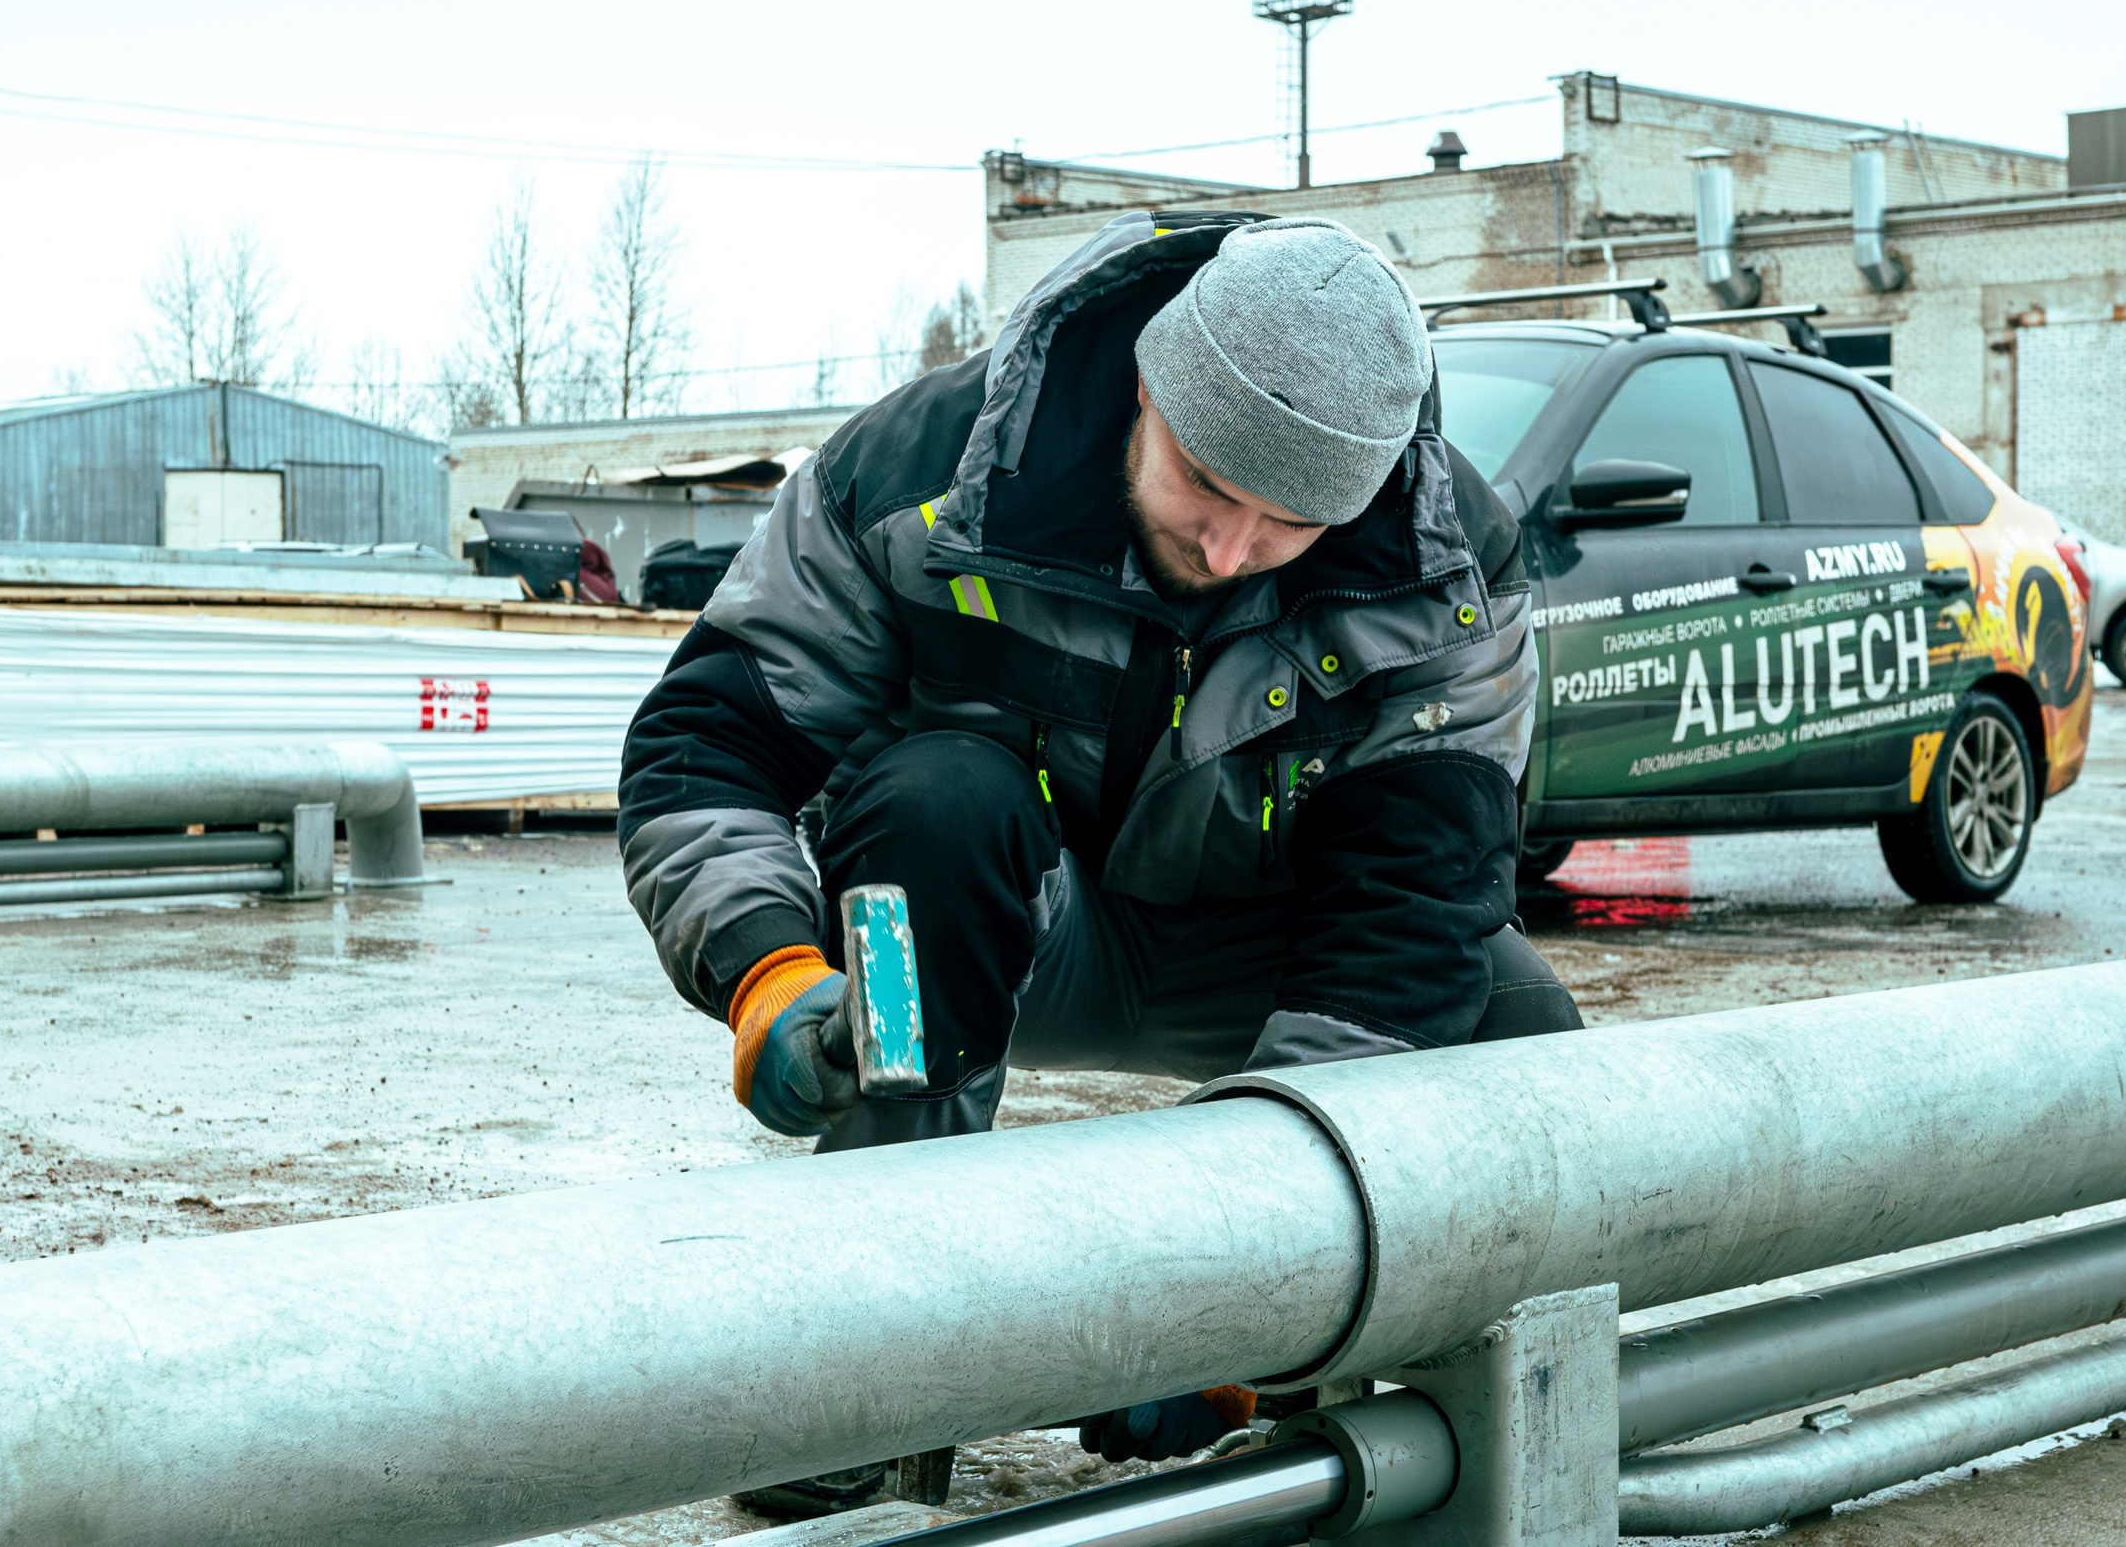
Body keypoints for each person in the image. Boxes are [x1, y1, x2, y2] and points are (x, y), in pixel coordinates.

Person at [616, 213, 1579, 1502]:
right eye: (1208, 487)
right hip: (1012, 923)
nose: (1233, 551)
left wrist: (1240, 1295)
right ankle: (868, 1362)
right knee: (932, 802)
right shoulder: (920, 476)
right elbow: (710, 746)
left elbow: (1411, 920)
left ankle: (1338, 1372)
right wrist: (770, 978)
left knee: (1521, 1024)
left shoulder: (1443, 567)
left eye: (1290, 523)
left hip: (1265, 949)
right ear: (1145, 382)